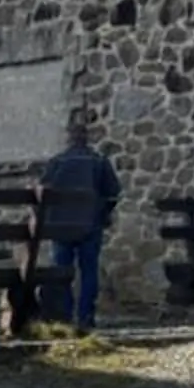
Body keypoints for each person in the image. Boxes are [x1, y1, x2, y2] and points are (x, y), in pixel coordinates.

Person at [38, 117, 121, 332]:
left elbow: (44, 192)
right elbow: (113, 193)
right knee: (88, 272)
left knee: (62, 271)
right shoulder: (99, 161)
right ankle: (85, 316)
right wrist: (103, 214)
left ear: (68, 138)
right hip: (89, 224)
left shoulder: (57, 162)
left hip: (61, 226)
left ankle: (63, 315)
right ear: (87, 137)